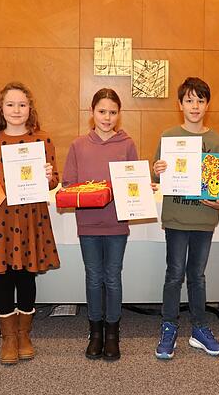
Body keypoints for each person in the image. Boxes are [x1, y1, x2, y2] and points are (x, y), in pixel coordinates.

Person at [0, 81, 60, 365]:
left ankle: (24, 335)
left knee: (27, 276)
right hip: (0, 219)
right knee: (4, 277)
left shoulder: (42, 140)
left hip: (31, 217)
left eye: (22, 104)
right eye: (10, 104)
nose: (16, 110)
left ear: (30, 108)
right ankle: (8, 337)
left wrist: (48, 176)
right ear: (2, 109)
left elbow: (55, 179)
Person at [152, 77, 219, 360]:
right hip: (176, 217)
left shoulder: (217, 140)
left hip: (204, 219)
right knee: (174, 275)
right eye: (189, 100)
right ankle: (169, 327)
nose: (194, 106)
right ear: (179, 104)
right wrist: (157, 169)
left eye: (200, 100)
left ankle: (199, 328)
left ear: (207, 105)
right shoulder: (169, 136)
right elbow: (155, 174)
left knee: (197, 276)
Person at [62, 88, 138, 361]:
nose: (107, 117)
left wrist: (141, 186)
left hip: (116, 223)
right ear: (92, 112)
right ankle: (95, 333)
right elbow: (68, 184)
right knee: (94, 277)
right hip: (88, 223)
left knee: (113, 277)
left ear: (119, 114)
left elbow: (133, 183)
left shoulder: (127, 144)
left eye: (113, 112)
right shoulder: (78, 145)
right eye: (102, 111)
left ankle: (112, 334)